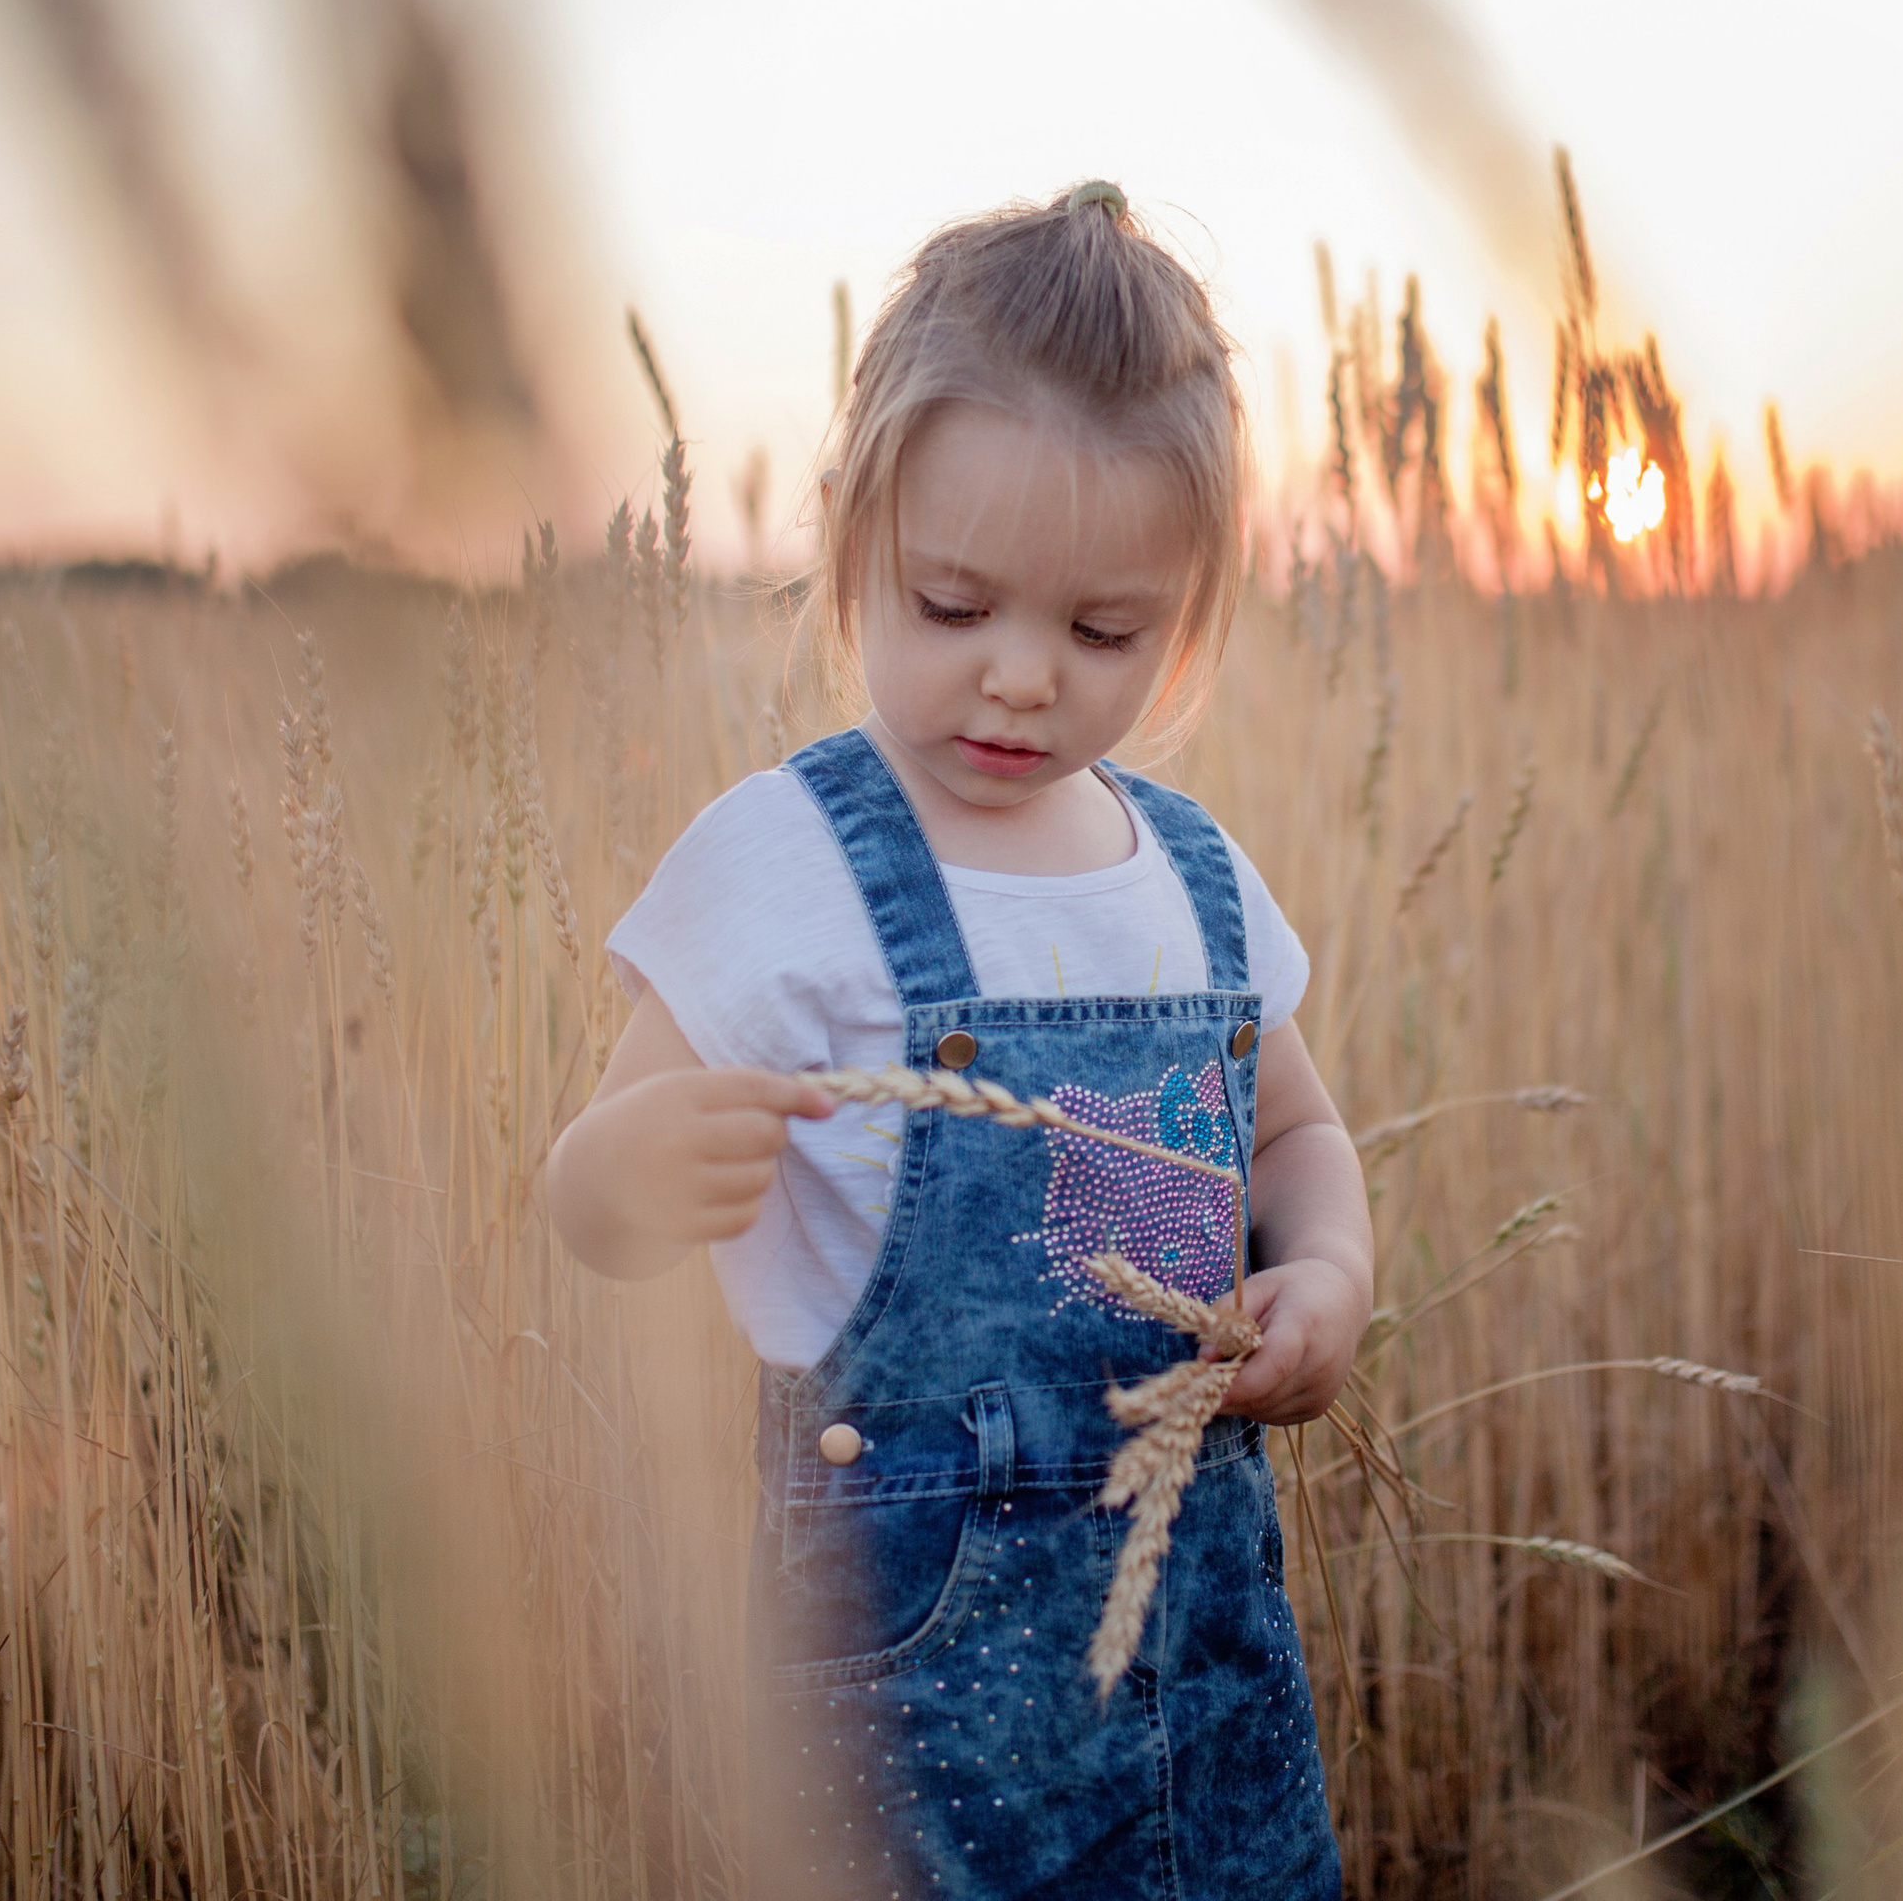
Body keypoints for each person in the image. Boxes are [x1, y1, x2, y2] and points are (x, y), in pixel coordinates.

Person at [546, 181, 1369, 1899]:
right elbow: (587, 1189)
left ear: (1190, 607)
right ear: (855, 539)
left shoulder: (1196, 881)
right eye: (953, 603)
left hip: (1199, 1675)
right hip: (924, 1703)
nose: (1018, 678)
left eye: (1100, 632)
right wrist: (629, 1171)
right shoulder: (790, 865)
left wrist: (1333, 1276)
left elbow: (1290, 1133)